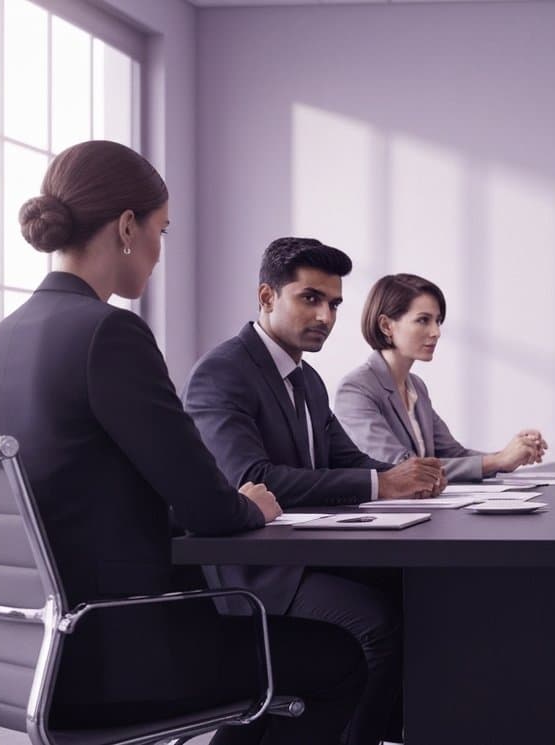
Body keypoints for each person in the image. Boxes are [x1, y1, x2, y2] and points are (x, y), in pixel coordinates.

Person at [0, 140, 365, 744]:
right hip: (130, 650)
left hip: (42, 654)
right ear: (127, 227)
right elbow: (206, 502)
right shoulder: (110, 333)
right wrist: (253, 505)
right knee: (341, 658)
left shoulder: (2, 338)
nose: (160, 251)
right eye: (162, 230)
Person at [184, 238, 446, 745]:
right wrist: (382, 482)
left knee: (418, 591)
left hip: (303, 556)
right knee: (378, 623)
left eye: (334, 304)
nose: (325, 315)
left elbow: (349, 462)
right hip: (256, 573)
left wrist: (410, 481)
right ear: (266, 297)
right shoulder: (223, 373)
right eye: (310, 299)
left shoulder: (307, 381)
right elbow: (252, 476)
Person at [334, 273, 547, 478]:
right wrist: (499, 460)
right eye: (423, 320)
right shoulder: (356, 388)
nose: (436, 332)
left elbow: (454, 455)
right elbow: (399, 467)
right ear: (386, 325)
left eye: (438, 321)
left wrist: (511, 455)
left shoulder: (416, 386)